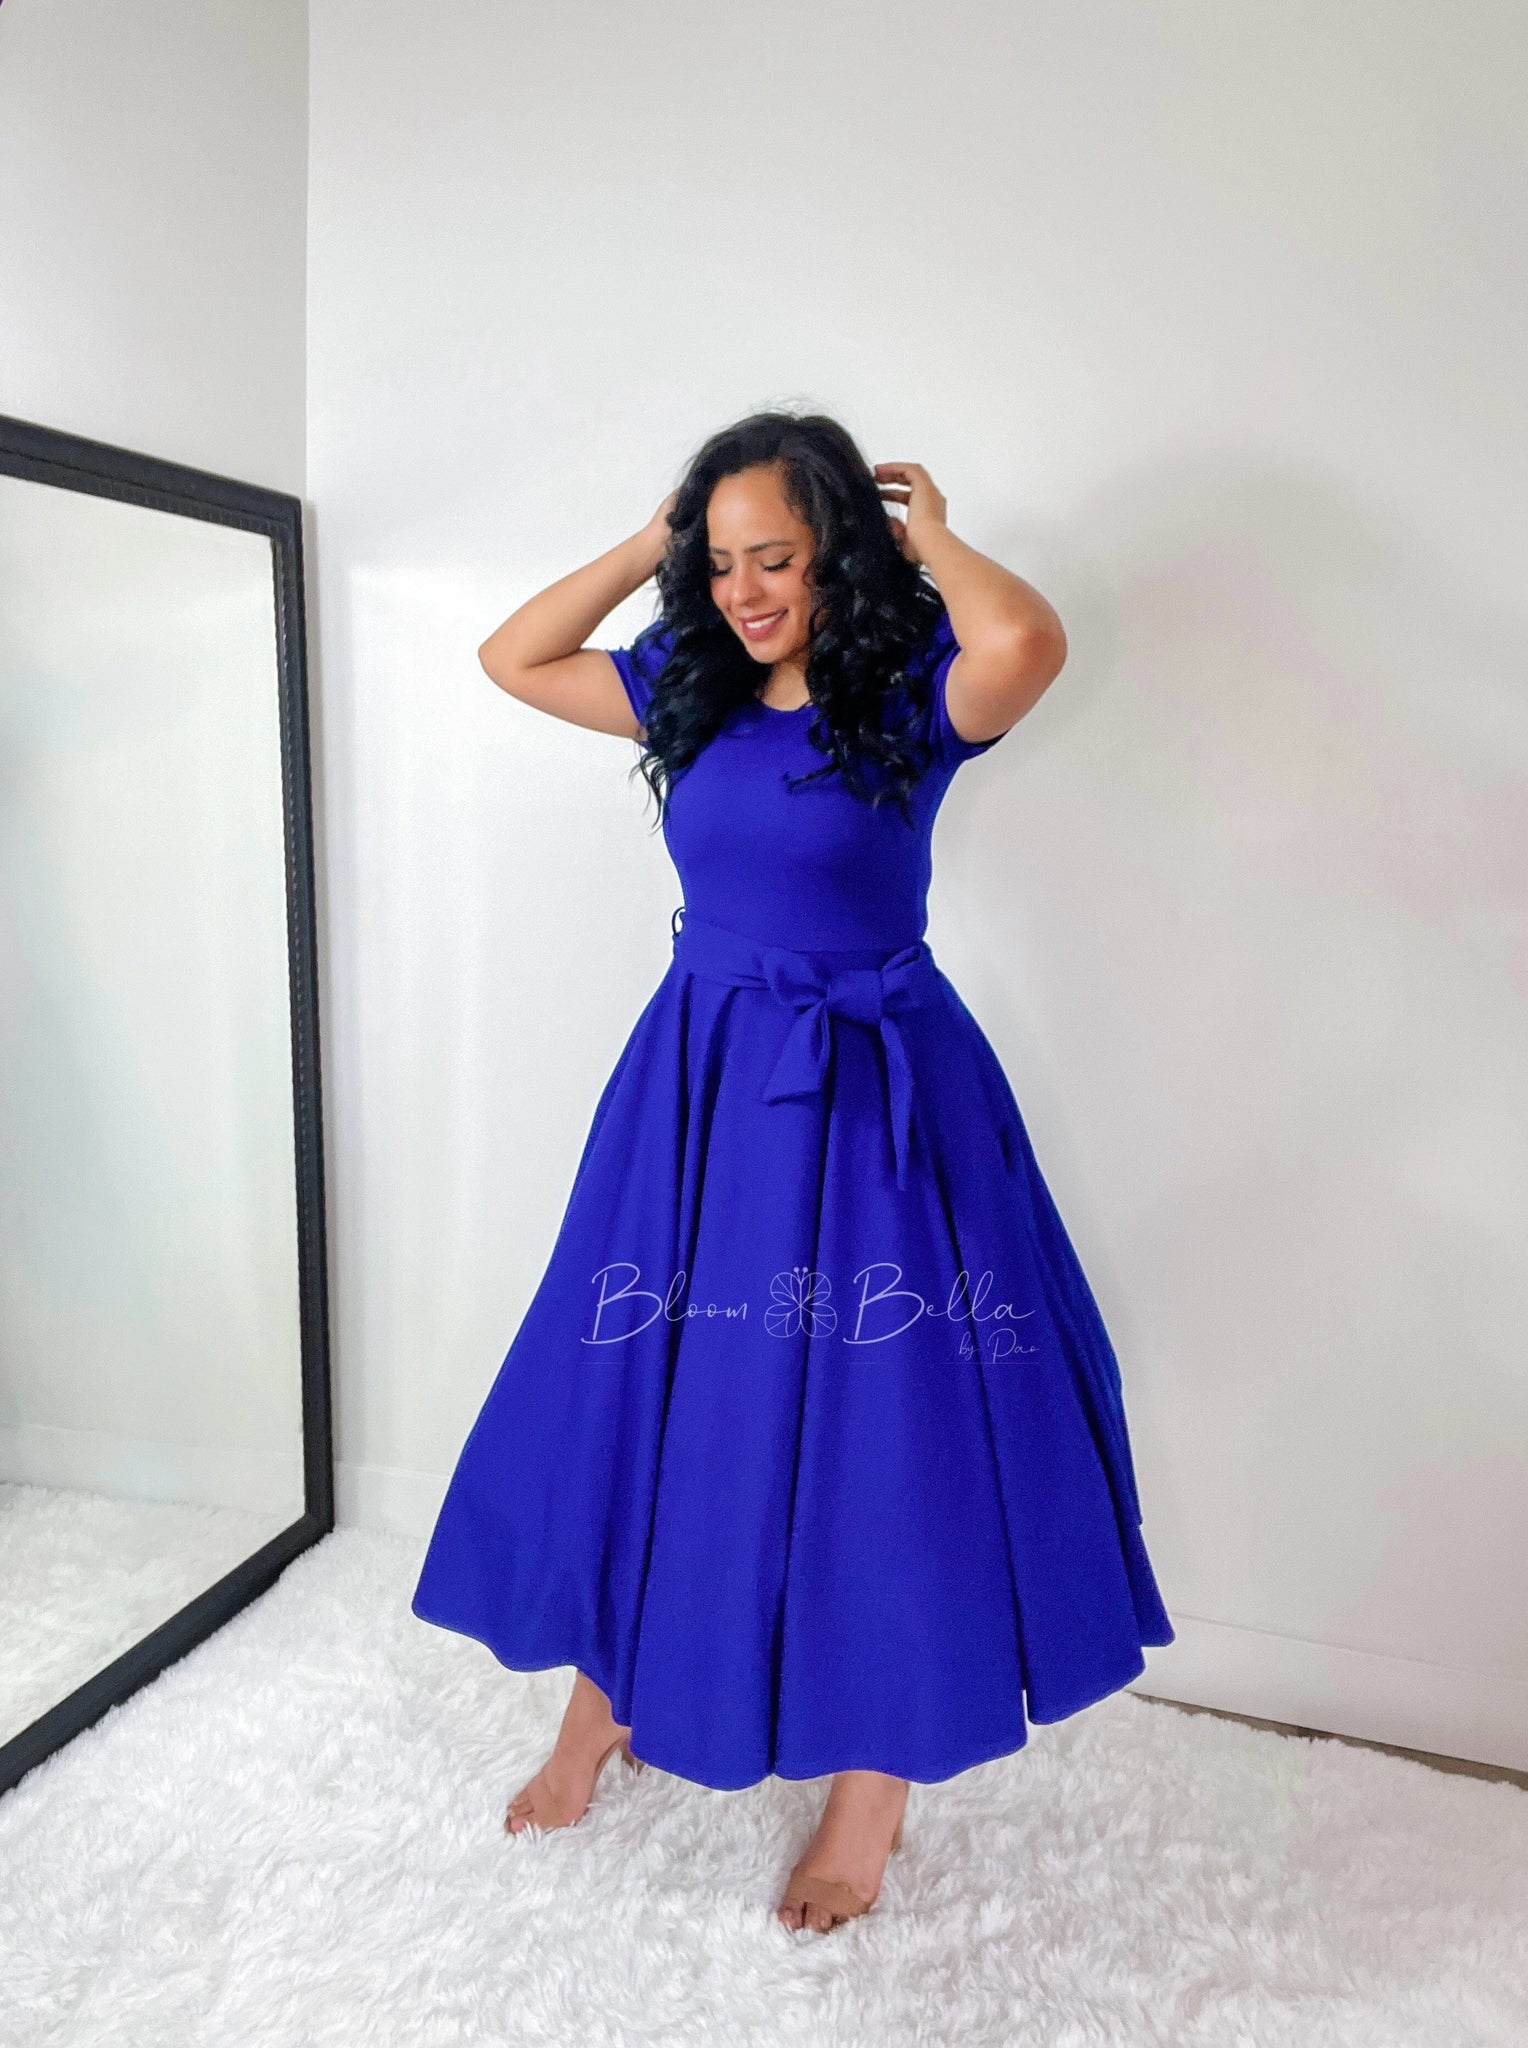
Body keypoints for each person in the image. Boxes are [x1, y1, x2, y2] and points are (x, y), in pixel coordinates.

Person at [412, 410, 1174, 1935]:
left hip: (876, 1095)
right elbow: (513, 657)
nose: (746, 590)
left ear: (842, 549)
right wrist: (657, 539)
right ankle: (603, 1708)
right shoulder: (686, 686)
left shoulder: (916, 690)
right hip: (699, 1092)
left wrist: (929, 537)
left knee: (887, 1432)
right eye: (722, 562)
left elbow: (1028, 639)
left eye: (776, 557)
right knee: (645, 1396)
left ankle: (869, 1791)